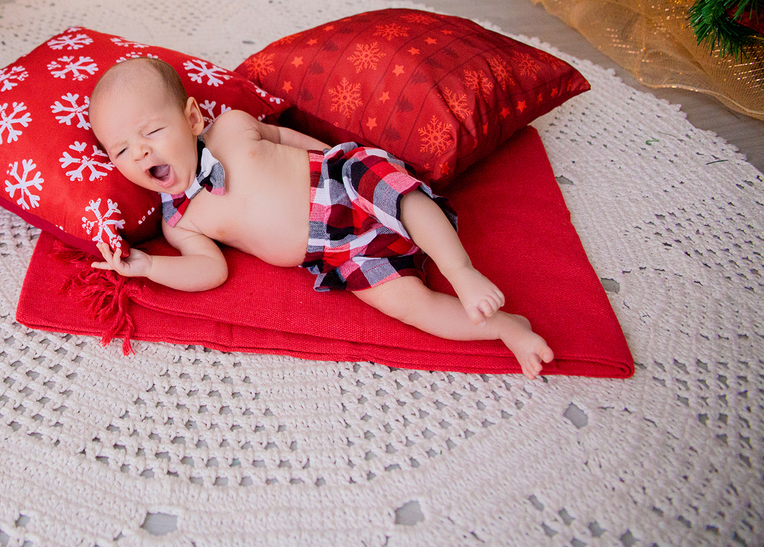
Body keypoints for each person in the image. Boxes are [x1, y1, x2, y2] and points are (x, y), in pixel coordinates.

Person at [87, 57, 554, 379]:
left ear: (191, 118)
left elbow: (282, 138)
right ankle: (504, 327)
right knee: (409, 305)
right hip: (336, 251)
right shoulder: (180, 222)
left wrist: (336, 160)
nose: (141, 150)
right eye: (123, 150)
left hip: (339, 181)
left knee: (406, 203)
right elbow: (210, 270)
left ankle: (463, 272)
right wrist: (149, 266)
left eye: (152, 130)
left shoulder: (229, 126)